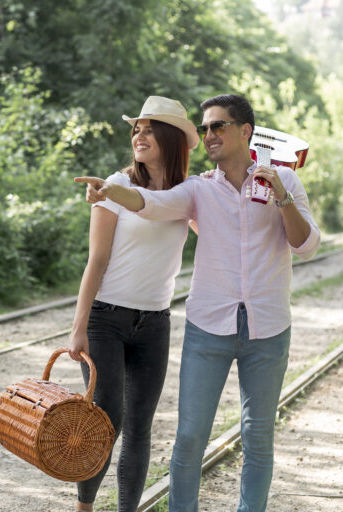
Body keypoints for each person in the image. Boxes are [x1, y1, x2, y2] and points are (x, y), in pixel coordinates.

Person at [75, 94, 320, 512]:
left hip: (267, 327)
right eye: (205, 128)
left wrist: (281, 194)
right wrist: (111, 191)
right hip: (207, 326)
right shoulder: (199, 189)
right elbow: (150, 204)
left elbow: (307, 245)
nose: (209, 135)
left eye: (217, 126)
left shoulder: (284, 182)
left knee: (257, 437)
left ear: (245, 132)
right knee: (186, 437)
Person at [67, 96, 199, 512]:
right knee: (107, 420)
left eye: (148, 128)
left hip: (156, 322)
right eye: (135, 129)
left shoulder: (189, 194)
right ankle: (85, 506)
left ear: (171, 138)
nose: (138, 135)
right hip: (106, 318)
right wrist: (78, 326)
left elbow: (217, 226)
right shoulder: (113, 185)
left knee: (140, 428)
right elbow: (97, 260)